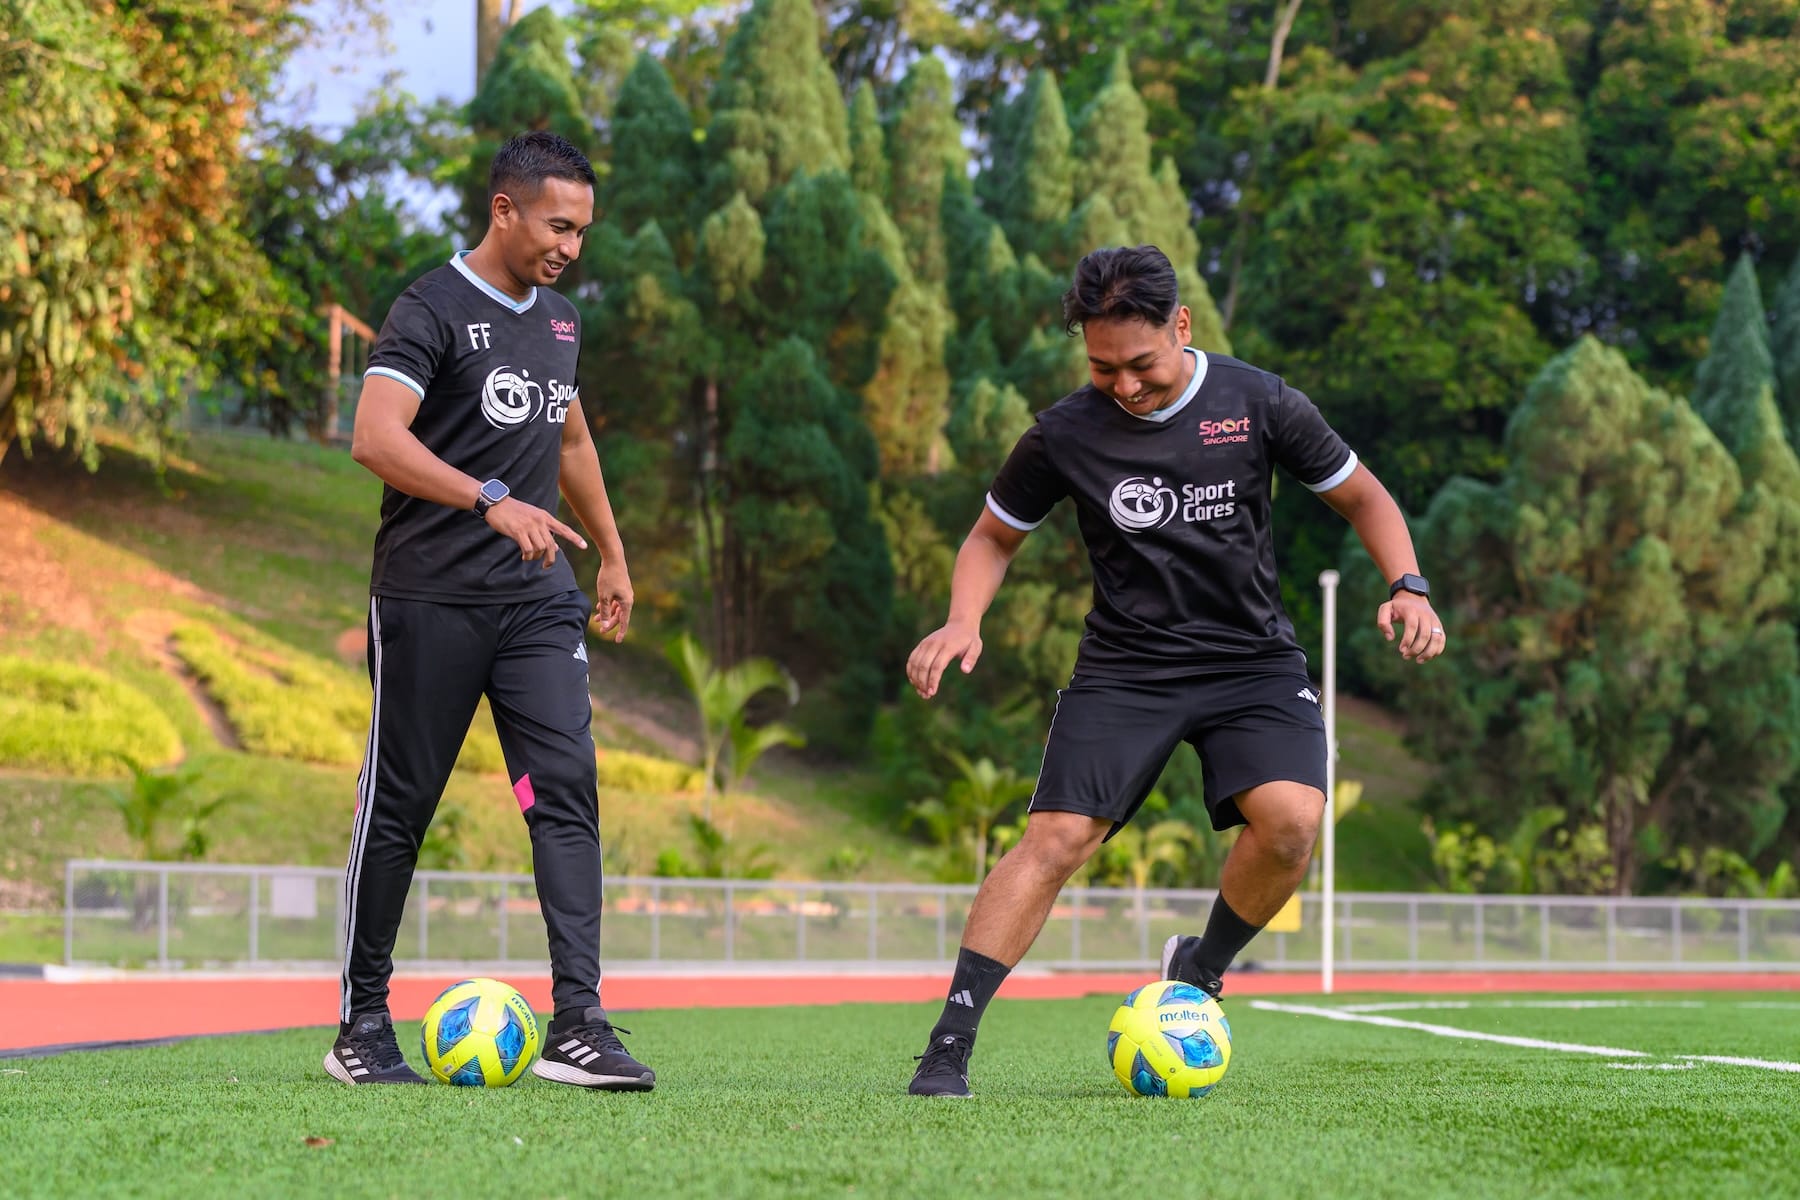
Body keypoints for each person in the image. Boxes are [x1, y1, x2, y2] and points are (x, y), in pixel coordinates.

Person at [904, 245, 1445, 1097]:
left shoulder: (1258, 401)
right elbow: (992, 535)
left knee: (1294, 823)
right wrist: (964, 618)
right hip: (1128, 667)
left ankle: (1199, 968)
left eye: (1141, 363)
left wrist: (1407, 585)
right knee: (1055, 841)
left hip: (1252, 661)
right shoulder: (1063, 432)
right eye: (1102, 365)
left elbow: (1364, 497)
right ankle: (949, 1044)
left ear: (1181, 326)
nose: (1123, 384)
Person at [326, 131, 652, 1091]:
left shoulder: (559, 321)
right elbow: (373, 439)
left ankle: (580, 1023)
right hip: (429, 598)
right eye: (559, 225)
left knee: (566, 790)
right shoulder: (428, 306)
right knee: (401, 808)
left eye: (584, 231)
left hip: (537, 602)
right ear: (504, 209)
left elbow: (574, 439)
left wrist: (617, 558)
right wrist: (487, 498)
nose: (572, 248)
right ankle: (361, 1023)